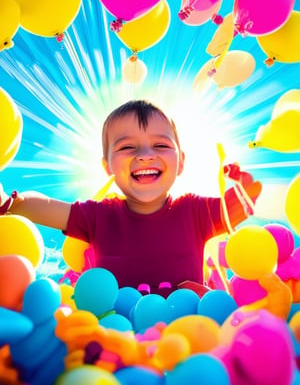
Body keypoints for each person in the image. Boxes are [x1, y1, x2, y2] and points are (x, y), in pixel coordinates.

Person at [0, 100, 262, 297]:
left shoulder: (194, 211)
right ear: (108, 167)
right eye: (127, 147)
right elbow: (52, 209)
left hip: (187, 329)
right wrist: (12, 203)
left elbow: (237, 209)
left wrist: (243, 187)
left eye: (160, 145)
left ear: (181, 162)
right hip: (117, 332)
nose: (146, 155)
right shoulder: (100, 216)